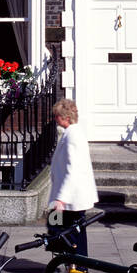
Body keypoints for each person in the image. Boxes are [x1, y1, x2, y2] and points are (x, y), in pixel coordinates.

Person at [47, 99, 99, 257]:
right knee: (59, 227)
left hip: (71, 197)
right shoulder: (70, 133)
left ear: (67, 118)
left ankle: (77, 268)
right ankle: (66, 262)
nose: (55, 118)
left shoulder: (73, 136)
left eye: (58, 116)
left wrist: (61, 199)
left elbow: (73, 169)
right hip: (66, 196)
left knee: (72, 233)